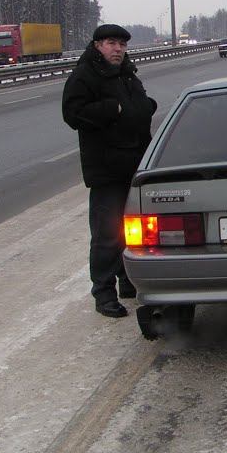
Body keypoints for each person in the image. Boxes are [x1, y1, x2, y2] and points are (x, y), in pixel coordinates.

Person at [62, 24, 158, 318]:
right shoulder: (85, 75)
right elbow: (72, 113)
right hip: (106, 170)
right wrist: (110, 109)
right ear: (97, 45)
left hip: (135, 167)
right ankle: (103, 293)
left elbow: (137, 105)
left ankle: (127, 281)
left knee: (132, 230)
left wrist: (146, 106)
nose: (118, 49)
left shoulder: (127, 72)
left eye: (122, 45)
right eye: (112, 43)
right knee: (107, 235)